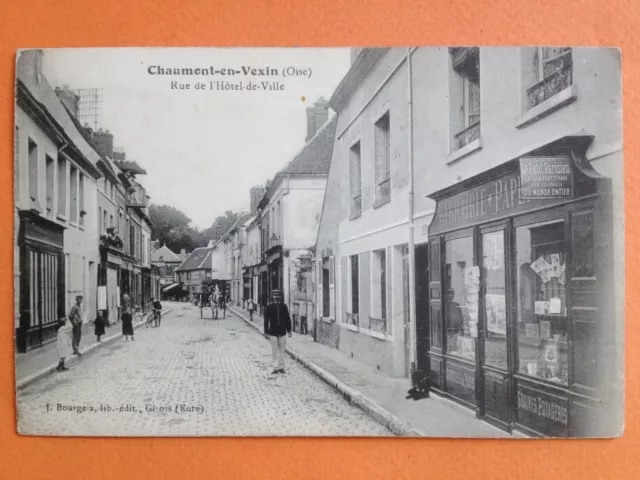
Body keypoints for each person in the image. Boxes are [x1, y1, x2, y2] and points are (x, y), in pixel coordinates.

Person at [264, 289, 292, 374]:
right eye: (275, 295)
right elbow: (266, 320)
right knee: (274, 351)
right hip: (273, 332)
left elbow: (287, 319)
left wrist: (289, 330)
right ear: (272, 297)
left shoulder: (284, 306)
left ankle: (281, 367)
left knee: (282, 351)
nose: (276, 297)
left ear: (280, 297)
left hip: (282, 332)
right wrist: (266, 332)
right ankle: (275, 367)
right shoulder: (269, 307)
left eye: (278, 295)